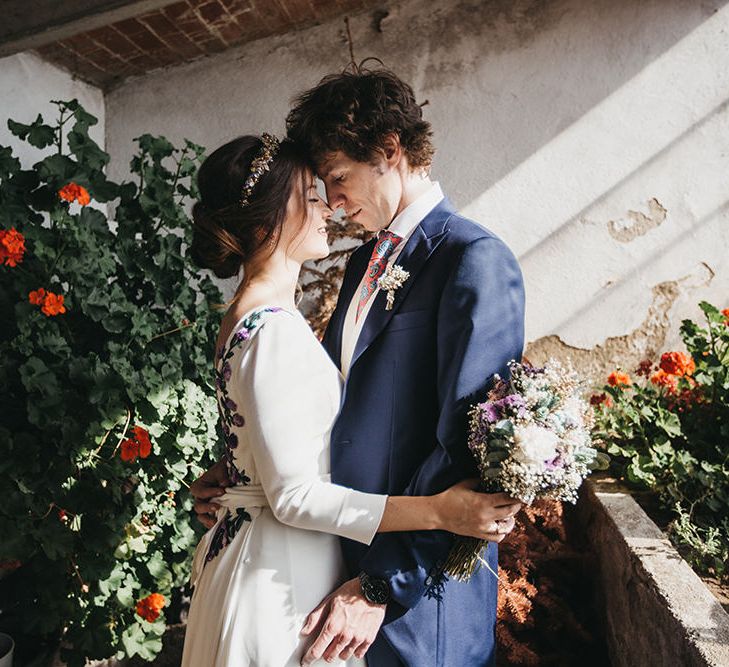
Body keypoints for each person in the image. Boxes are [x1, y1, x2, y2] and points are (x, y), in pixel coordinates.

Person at [182, 133, 522, 667]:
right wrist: (438, 512)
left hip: (344, 571)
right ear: (268, 217)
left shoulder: (269, 316)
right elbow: (294, 493)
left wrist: (241, 470)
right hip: (289, 571)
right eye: (313, 193)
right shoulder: (273, 325)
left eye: (334, 182)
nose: (329, 206)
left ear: (389, 152)